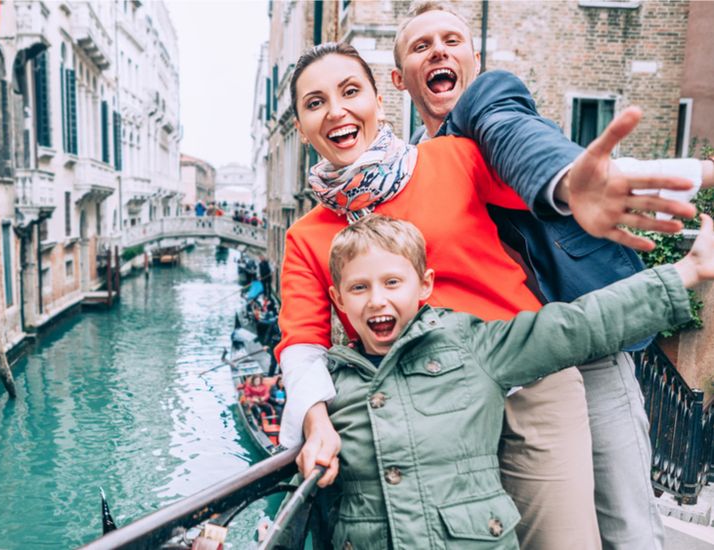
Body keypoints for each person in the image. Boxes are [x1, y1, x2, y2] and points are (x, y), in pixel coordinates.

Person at [275, 41, 712, 547]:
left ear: (377, 99)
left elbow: (559, 180)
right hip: (428, 415)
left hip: (528, 384)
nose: (336, 111)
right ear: (303, 127)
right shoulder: (306, 236)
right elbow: (302, 346)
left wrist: (690, 176)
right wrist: (315, 419)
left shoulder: (451, 158)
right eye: (315, 102)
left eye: (350, 91)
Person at [321, 213, 713, 550]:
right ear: (338, 298)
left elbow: (577, 325)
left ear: (424, 285)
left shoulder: (471, 345)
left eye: (392, 283)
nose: (376, 300)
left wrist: (687, 272)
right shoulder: (329, 388)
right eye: (359, 287)